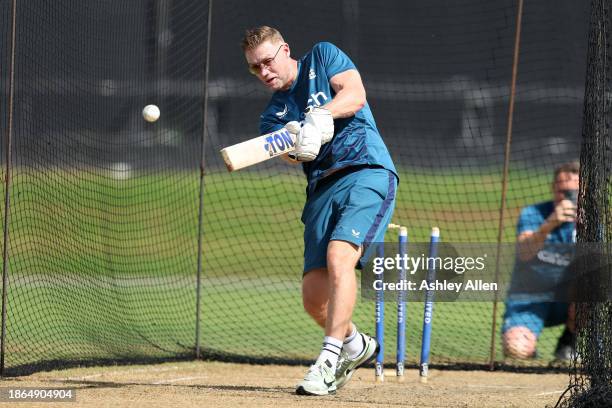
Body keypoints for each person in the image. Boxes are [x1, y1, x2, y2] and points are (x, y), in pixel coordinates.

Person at [241, 26, 398, 395]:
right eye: (254, 68)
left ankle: (328, 362)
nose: (264, 72)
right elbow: (291, 157)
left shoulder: (323, 57)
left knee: (339, 256)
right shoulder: (271, 117)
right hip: (321, 189)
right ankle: (356, 345)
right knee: (314, 297)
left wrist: (321, 116)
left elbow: (355, 95)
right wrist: (299, 146)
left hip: (365, 170)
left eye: (267, 61)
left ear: (285, 50)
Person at [502, 161, 579, 361]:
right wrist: (550, 224)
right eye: (563, 191)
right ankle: (527, 343)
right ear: (553, 188)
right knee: (517, 349)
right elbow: (524, 253)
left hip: (570, 300)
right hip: (530, 299)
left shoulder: (592, 220)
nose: (568, 198)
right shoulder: (533, 214)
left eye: (574, 192)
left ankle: (569, 342)